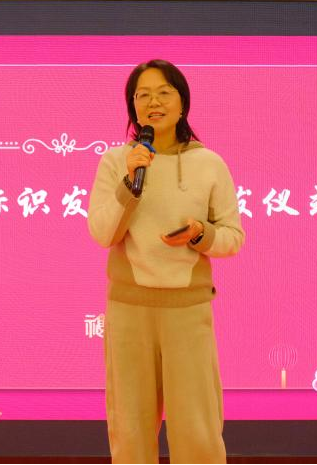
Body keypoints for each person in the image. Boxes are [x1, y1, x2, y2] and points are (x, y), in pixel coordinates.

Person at [87, 59, 244, 464]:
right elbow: (103, 233)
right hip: (129, 311)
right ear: (132, 107)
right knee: (130, 427)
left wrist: (200, 234)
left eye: (163, 93)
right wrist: (129, 184)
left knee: (197, 427)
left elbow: (232, 237)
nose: (152, 102)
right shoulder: (116, 162)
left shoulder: (209, 163)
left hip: (187, 312)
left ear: (182, 102)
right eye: (142, 95)